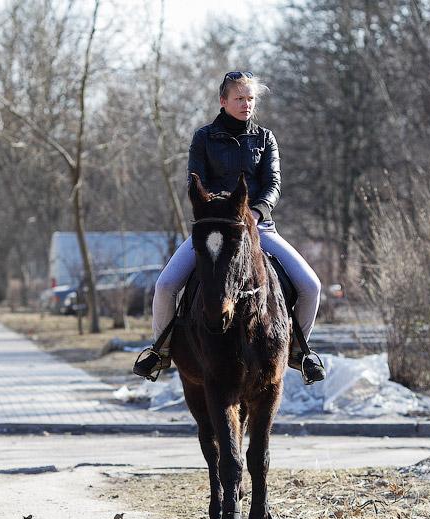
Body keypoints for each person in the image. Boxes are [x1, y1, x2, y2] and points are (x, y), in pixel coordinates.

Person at [133, 71, 325, 384]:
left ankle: (298, 351)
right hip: (215, 229)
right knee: (165, 285)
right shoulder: (204, 137)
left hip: (259, 228)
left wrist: (256, 214)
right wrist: (217, 212)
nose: (246, 104)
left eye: (250, 99)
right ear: (224, 101)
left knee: (311, 286)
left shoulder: (265, 138)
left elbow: (273, 184)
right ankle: (160, 351)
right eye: (239, 98)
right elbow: (195, 182)